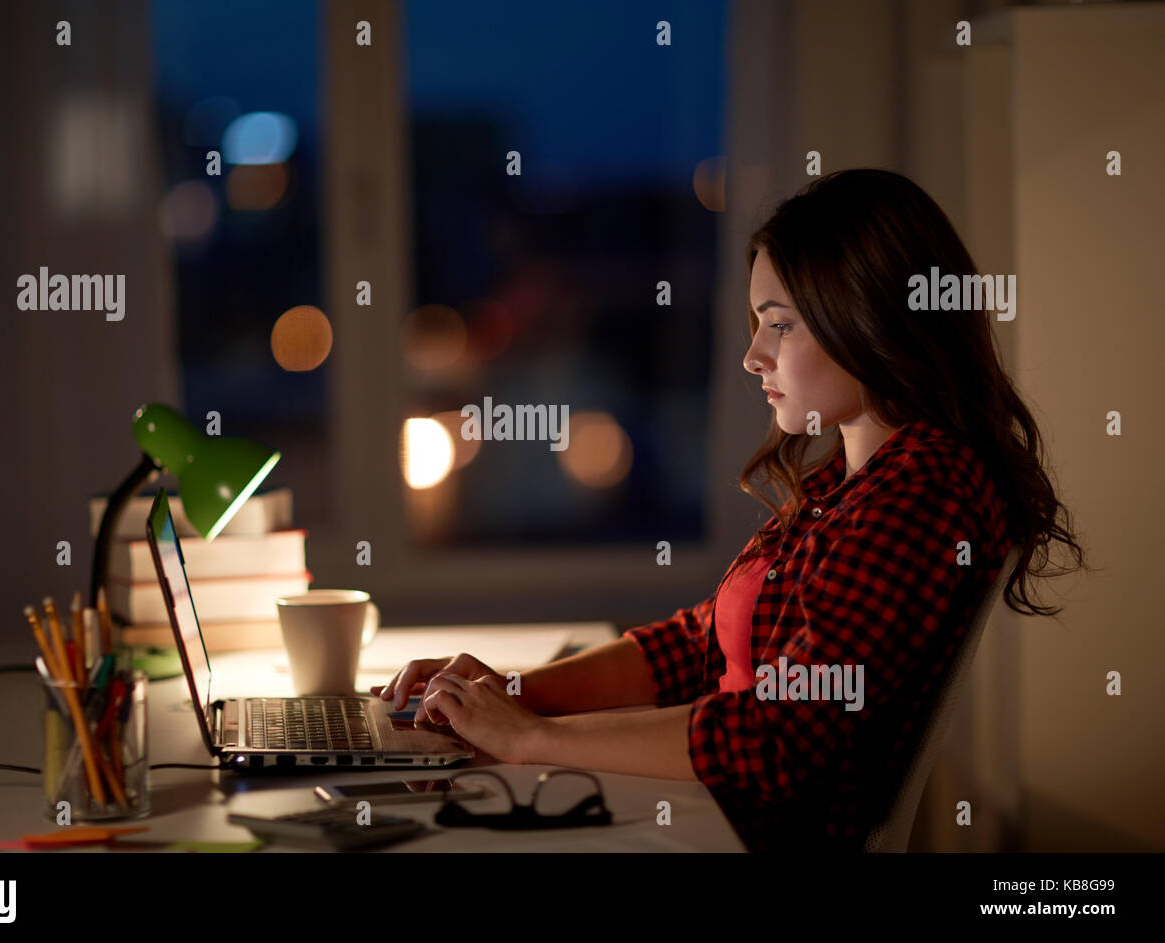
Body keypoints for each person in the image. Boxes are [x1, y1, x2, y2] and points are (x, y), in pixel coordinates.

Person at [370, 169, 1086, 851]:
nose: (752, 355)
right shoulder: (850, 480)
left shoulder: (926, 491)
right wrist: (508, 693)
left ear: (867, 320)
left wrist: (530, 738)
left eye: (781, 325)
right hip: (706, 817)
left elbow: (783, 731)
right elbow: (697, 645)